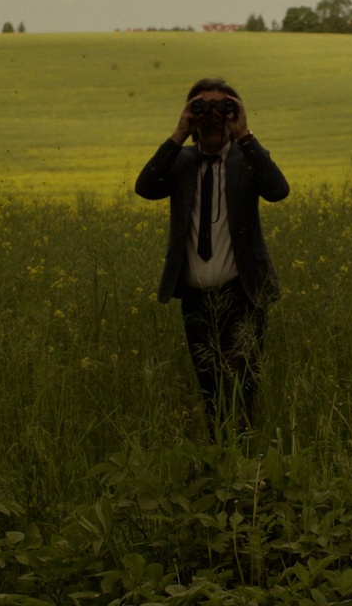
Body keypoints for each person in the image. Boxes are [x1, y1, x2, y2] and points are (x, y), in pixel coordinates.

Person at [135, 77, 290, 435]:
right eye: (202, 107)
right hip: (194, 300)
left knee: (243, 387)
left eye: (224, 107)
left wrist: (246, 135)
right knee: (210, 390)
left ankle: (245, 462)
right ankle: (219, 458)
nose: (213, 115)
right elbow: (145, 187)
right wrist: (178, 133)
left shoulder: (245, 159)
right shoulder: (182, 162)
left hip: (243, 294)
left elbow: (278, 190)